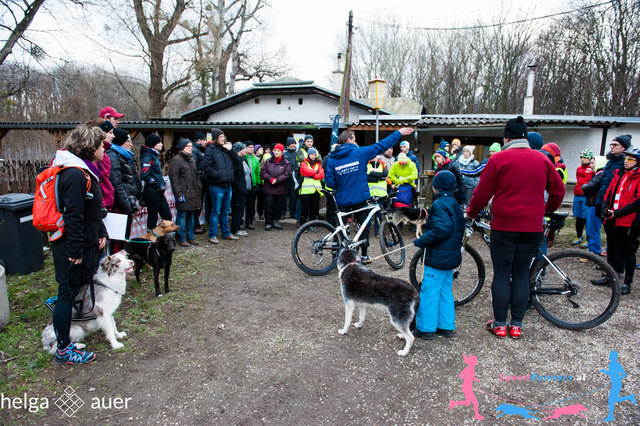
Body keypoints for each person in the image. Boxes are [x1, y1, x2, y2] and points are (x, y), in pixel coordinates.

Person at [466, 116, 565, 339]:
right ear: (526, 137)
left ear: (506, 138)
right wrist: (546, 210)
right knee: (521, 273)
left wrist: (471, 213)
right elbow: (558, 191)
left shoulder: (499, 159)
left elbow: (482, 193)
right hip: (532, 227)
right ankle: (517, 324)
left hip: (505, 226)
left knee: (502, 273)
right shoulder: (543, 160)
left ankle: (500, 324)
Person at [49, 124, 108, 364]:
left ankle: (66, 338)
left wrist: (100, 231)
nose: (104, 149)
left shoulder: (84, 171)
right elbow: (73, 215)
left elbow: (90, 212)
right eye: (102, 145)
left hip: (85, 243)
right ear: (90, 148)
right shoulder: (74, 174)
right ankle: (63, 349)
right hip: (73, 248)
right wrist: (75, 251)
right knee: (66, 295)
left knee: (70, 292)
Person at [325, 128, 414, 263]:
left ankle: (335, 257)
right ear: (349, 140)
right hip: (360, 198)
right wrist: (399, 133)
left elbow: (330, 183)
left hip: (342, 199)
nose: (356, 142)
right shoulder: (359, 152)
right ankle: (364, 256)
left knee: (340, 229)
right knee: (364, 226)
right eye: (355, 139)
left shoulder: (332, 158)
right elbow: (382, 145)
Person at [412, 170, 465, 340]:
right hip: (450, 257)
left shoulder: (439, 204)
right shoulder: (454, 203)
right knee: (444, 292)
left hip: (438, 258)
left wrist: (422, 240)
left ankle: (426, 329)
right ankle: (446, 326)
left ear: (436, 187)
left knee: (429, 292)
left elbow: (441, 229)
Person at [598, 146, 640, 295]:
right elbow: (609, 192)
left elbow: (637, 202)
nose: (627, 162)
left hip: (629, 220)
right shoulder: (619, 174)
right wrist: (606, 209)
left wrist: (618, 213)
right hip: (612, 218)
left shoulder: (638, 177)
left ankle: (627, 282)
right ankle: (609, 276)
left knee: (628, 252)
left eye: (631, 159)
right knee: (612, 249)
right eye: (626, 159)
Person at [201, 128, 241, 244]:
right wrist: (217, 175)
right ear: (215, 139)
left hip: (228, 185)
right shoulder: (210, 150)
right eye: (221, 137)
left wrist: (231, 150)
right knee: (216, 212)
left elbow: (238, 161)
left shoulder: (226, 150)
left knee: (225, 211)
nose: (223, 139)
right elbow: (205, 166)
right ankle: (212, 235)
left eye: (224, 137)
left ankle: (226, 233)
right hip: (217, 186)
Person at [106, 128, 140, 247]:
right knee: (118, 239)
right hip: (119, 204)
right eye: (128, 141)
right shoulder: (113, 156)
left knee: (125, 237)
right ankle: (116, 262)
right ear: (120, 141)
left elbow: (129, 180)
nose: (131, 144)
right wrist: (126, 205)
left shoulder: (126, 156)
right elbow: (116, 183)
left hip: (125, 200)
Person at [168, 138, 202, 247]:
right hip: (183, 193)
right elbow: (174, 179)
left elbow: (196, 176)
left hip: (193, 193)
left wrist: (199, 187)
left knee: (191, 216)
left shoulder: (192, 160)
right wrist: (178, 193)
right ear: (182, 147)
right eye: (188, 146)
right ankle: (180, 238)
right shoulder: (176, 160)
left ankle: (190, 237)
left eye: (191, 146)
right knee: (181, 216)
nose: (191, 148)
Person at [140, 134, 171, 231]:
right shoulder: (148, 156)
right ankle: (151, 241)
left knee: (167, 215)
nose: (162, 145)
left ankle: (165, 239)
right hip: (152, 191)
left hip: (159, 192)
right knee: (153, 218)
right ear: (153, 144)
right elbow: (145, 175)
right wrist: (156, 184)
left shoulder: (154, 155)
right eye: (159, 142)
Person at [261, 143, 292, 231]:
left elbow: (287, 175)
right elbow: (263, 172)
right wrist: (270, 179)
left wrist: (277, 180)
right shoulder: (268, 161)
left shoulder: (286, 163)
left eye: (279, 151)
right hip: (268, 188)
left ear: (282, 152)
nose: (276, 152)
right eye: (275, 150)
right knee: (268, 205)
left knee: (278, 206)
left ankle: (275, 221)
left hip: (280, 188)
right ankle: (268, 223)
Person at [581, 155, 607, 255]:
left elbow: (589, 187)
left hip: (595, 206)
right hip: (592, 205)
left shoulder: (600, 174)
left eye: (592, 163)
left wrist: (584, 187)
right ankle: (592, 251)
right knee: (590, 229)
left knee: (593, 230)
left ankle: (594, 252)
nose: (590, 165)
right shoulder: (597, 174)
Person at [571, 149, 595, 246]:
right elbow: (578, 179)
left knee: (586, 218)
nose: (582, 159)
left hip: (586, 196)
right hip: (577, 195)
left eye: (585, 157)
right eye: (581, 157)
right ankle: (579, 236)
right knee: (578, 217)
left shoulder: (592, 169)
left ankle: (588, 238)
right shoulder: (579, 168)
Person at [298, 147, 324, 227]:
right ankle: (303, 225)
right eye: (312, 154)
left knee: (314, 209)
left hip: (316, 190)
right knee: (305, 209)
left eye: (315, 155)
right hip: (306, 190)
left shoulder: (318, 164)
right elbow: (305, 171)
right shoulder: (304, 163)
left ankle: (311, 225)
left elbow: (322, 175)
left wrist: (313, 176)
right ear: (308, 154)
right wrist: (315, 172)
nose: (313, 156)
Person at [230, 142, 250, 237]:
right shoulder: (235, 161)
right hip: (238, 191)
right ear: (239, 150)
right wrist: (240, 188)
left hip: (243, 189)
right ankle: (235, 229)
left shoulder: (243, 159)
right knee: (237, 209)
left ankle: (238, 226)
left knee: (240, 209)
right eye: (244, 149)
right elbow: (234, 177)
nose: (246, 151)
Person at [190, 131, 208, 234]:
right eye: (204, 139)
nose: (206, 142)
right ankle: (195, 226)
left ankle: (196, 225)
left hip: (204, 180)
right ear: (198, 141)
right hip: (198, 181)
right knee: (197, 204)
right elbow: (194, 166)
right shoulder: (195, 151)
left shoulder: (203, 150)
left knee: (200, 204)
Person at [366, 154, 389, 234]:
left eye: (375, 156)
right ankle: (366, 230)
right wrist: (378, 178)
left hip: (380, 193)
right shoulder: (366, 164)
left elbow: (384, 175)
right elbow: (365, 177)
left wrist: (372, 174)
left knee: (378, 213)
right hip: (369, 193)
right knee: (368, 213)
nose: (373, 158)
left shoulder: (383, 164)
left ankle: (378, 231)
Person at [244, 141, 261, 230]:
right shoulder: (243, 158)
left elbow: (257, 172)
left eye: (252, 147)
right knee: (242, 204)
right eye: (249, 147)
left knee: (250, 205)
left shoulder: (255, 159)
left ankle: (249, 222)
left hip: (252, 185)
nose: (251, 149)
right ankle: (239, 222)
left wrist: (257, 183)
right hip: (244, 185)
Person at [282, 137, 299, 220]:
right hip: (285, 178)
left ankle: (293, 212)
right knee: (284, 196)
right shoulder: (283, 153)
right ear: (288, 144)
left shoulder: (297, 153)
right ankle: (282, 213)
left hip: (294, 178)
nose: (294, 145)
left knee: (293, 196)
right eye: (292, 144)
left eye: (294, 144)